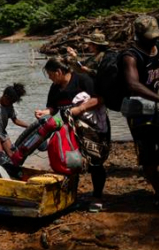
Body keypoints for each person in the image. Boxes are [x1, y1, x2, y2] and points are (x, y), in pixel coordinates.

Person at [119, 15, 159, 212]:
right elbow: (133, 85)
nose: (154, 39)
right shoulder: (131, 55)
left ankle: (150, 169)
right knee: (147, 150)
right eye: (149, 36)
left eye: (156, 35)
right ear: (138, 34)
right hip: (140, 111)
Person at [37, 57, 110, 212]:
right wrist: (44, 112)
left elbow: (100, 98)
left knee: (95, 161)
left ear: (58, 72)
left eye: (50, 74)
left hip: (91, 128)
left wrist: (79, 109)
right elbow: (52, 108)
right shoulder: (55, 88)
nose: (50, 78)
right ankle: (72, 195)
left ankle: (97, 197)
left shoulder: (83, 80)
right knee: (70, 161)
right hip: (68, 131)